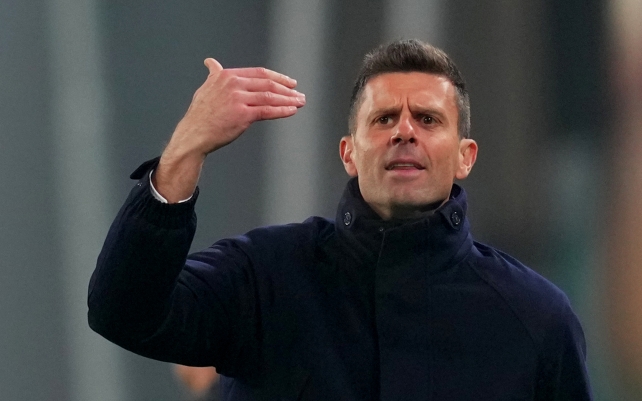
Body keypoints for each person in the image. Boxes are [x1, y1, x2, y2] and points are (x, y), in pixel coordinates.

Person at [88, 39, 592, 400]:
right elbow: (122, 312)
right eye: (384, 118)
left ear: (466, 156)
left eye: (429, 119)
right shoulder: (266, 276)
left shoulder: (535, 319)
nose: (405, 132)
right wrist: (185, 150)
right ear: (349, 153)